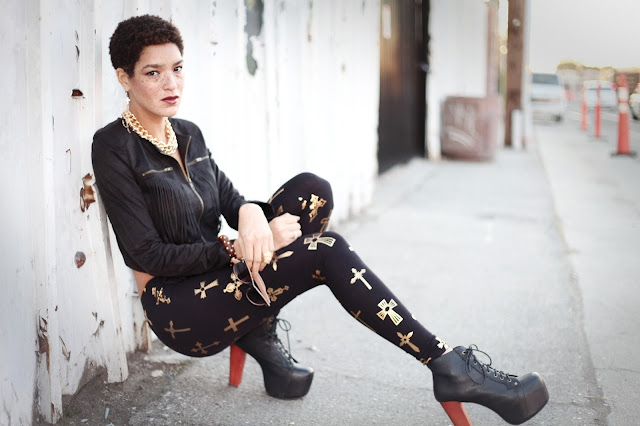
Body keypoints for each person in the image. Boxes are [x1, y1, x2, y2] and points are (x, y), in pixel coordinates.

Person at [92, 14, 549, 425]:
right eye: (153, 73)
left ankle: (257, 330)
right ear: (124, 77)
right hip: (178, 305)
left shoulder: (187, 133)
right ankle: (447, 365)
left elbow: (232, 200)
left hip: (224, 276)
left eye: (177, 68)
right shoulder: (113, 147)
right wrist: (236, 247)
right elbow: (146, 253)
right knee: (326, 252)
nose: (171, 83)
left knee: (313, 191)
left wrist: (250, 216)